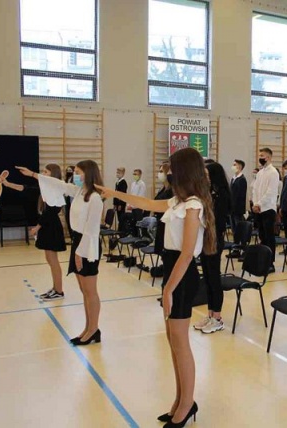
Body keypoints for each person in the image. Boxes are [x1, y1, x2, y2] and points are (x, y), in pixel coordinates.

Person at [97, 148, 215, 427]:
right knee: (173, 342)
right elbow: (147, 202)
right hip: (173, 274)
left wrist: (169, 289)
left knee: (181, 344)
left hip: (181, 277)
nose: (168, 173)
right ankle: (180, 400)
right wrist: (113, 193)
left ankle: (187, 403)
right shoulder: (177, 201)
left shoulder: (193, 205)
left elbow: (187, 254)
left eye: (172, 168)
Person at [16, 161, 104, 345]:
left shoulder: (95, 198)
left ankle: (94, 329)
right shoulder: (79, 191)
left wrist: (80, 252)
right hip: (78, 242)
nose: (75, 175)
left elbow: (92, 230)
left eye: (78, 172)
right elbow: (59, 184)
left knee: (90, 291)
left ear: (88, 174)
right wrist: (33, 174)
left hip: (87, 246)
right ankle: (88, 328)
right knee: (84, 290)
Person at [1, 164, 67, 301]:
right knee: (49, 259)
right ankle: (55, 288)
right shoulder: (44, 189)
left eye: (46, 172)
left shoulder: (55, 190)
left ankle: (59, 291)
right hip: (46, 226)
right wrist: (7, 184)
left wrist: (37, 227)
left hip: (51, 226)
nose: (43, 174)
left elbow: (50, 213)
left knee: (53, 260)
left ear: (53, 175)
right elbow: (25, 188)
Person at [194, 162, 231, 335]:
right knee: (207, 277)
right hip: (205, 238)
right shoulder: (207, 193)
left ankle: (217, 317)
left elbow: (219, 221)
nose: (205, 178)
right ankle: (210, 314)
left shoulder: (222, 194)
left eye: (207, 175)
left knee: (214, 278)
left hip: (215, 239)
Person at [252, 148, 279, 272]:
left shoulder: (273, 172)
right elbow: (255, 189)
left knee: (269, 237)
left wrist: (259, 203)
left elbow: (271, 192)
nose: (260, 157)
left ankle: (270, 262)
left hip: (268, 208)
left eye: (262, 155)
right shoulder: (260, 173)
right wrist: (255, 203)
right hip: (258, 209)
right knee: (262, 236)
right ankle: (263, 260)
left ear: (268, 157)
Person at [230, 159, 247, 233]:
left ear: (239, 167)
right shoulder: (233, 178)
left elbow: (241, 196)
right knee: (233, 227)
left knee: (238, 227)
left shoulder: (242, 179)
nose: (233, 166)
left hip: (238, 209)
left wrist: (235, 206)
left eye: (234, 165)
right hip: (232, 208)